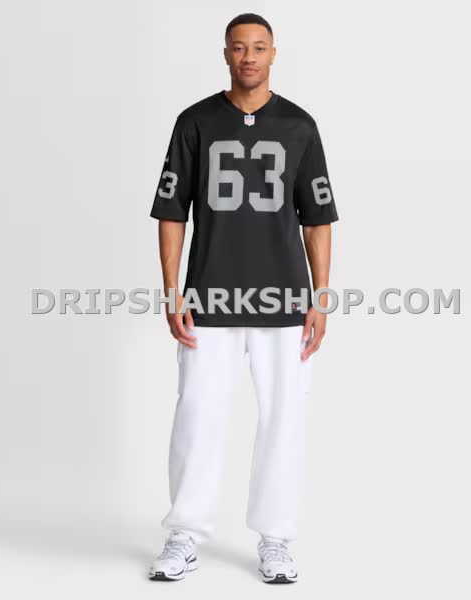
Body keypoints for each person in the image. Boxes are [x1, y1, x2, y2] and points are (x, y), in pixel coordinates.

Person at [148, 13, 338, 584]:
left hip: (284, 299)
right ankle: (185, 532)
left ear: (274, 54)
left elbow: (317, 219)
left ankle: (276, 537)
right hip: (209, 296)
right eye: (238, 47)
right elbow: (171, 212)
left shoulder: (299, 125)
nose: (248, 56)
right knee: (198, 412)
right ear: (225, 54)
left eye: (258, 47)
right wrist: (172, 291)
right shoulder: (196, 121)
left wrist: (320, 296)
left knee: (284, 415)